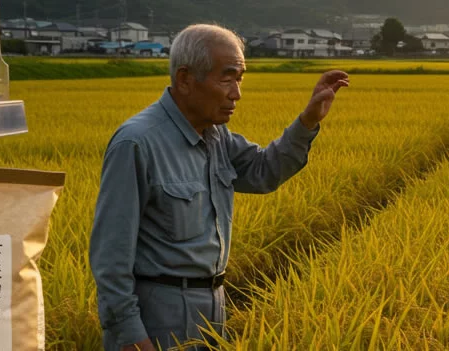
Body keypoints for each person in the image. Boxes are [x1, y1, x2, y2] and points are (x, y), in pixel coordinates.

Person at [88, 24, 349, 351]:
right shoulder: (137, 143)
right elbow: (110, 258)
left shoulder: (215, 136)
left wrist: (307, 121)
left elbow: (263, 171)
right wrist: (130, 338)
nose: (236, 93)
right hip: (159, 320)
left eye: (240, 79)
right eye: (227, 79)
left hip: (213, 313)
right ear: (185, 79)